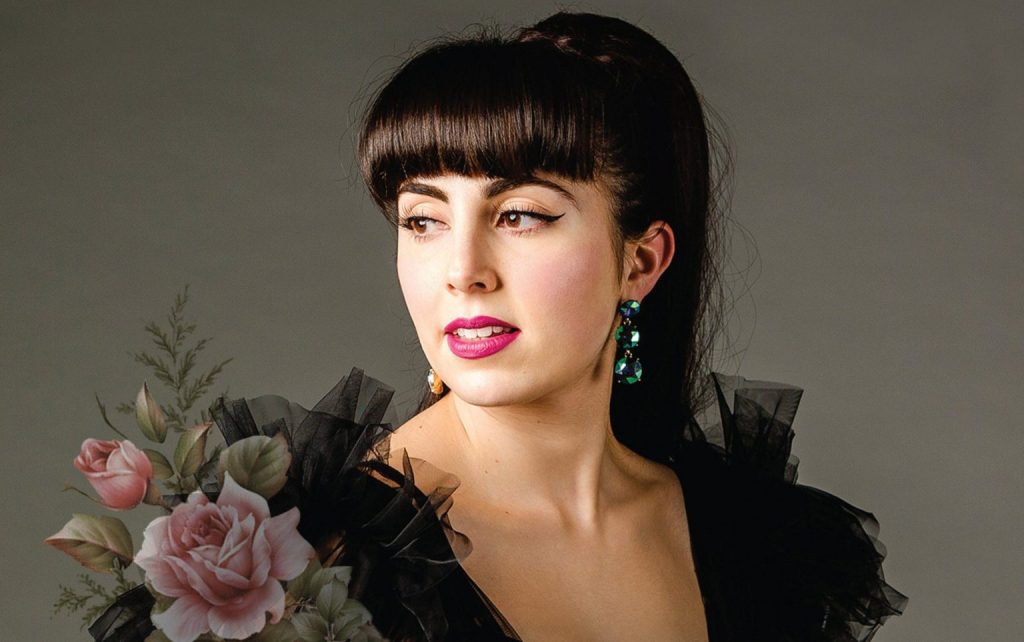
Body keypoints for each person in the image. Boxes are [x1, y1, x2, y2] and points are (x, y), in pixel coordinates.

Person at [217, 11, 908, 641]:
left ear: (641, 262)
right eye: (423, 220)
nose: (463, 271)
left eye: (519, 215)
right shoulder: (308, 559)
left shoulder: (751, 542)